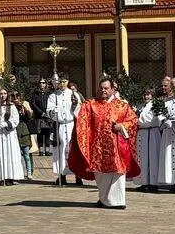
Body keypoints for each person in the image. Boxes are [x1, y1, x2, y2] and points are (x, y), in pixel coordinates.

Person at [68, 78, 139, 209]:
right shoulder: (91, 104)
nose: (103, 90)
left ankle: (117, 201)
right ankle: (104, 199)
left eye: (106, 88)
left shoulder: (122, 105)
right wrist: (74, 105)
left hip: (116, 147)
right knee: (100, 175)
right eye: (101, 88)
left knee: (117, 172)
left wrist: (122, 125)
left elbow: (133, 120)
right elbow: (80, 115)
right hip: (98, 147)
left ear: (112, 89)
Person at [0, 89, 24, 186]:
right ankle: (2, 176)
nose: (3, 95)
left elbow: (16, 119)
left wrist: (7, 123)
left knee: (11, 154)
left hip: (10, 134)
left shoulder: (11, 106)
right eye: (1, 94)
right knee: (1, 154)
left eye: (4, 94)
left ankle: (11, 176)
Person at [46, 76, 78, 187]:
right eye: (60, 82)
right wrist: (53, 112)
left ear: (68, 82)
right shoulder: (53, 96)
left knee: (72, 149)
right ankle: (62, 176)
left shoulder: (73, 94)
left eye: (64, 81)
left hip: (71, 124)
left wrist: (75, 105)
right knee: (60, 150)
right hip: (59, 126)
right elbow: (48, 111)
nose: (62, 84)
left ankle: (77, 175)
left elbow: (79, 110)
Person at [135, 89, 162, 192]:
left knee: (152, 158)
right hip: (142, 132)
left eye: (148, 94)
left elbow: (157, 118)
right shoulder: (141, 106)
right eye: (145, 94)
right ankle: (144, 182)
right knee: (143, 158)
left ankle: (153, 183)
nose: (146, 97)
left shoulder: (155, 104)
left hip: (151, 132)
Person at [15, 98, 34, 181]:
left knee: (27, 156)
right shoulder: (14, 115)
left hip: (25, 136)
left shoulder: (25, 115)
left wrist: (25, 109)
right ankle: (19, 172)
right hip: (16, 136)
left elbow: (30, 117)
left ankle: (29, 172)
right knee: (17, 156)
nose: (19, 110)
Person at [31, 79, 51, 156]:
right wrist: (40, 112)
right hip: (39, 116)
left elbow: (51, 103)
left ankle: (47, 150)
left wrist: (48, 113)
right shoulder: (35, 93)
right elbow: (33, 104)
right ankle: (41, 150)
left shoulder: (49, 93)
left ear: (46, 84)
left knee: (47, 133)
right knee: (40, 133)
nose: (42, 84)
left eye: (43, 83)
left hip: (47, 116)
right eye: (40, 83)